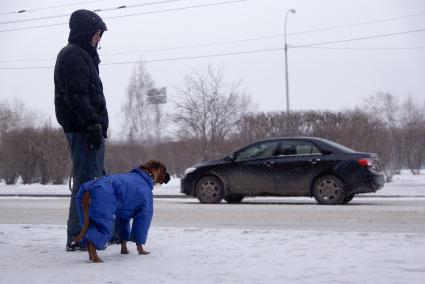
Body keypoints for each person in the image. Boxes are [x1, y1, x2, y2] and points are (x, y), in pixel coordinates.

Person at [54, 9, 108, 251]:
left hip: (88, 129)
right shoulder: (74, 55)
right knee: (87, 185)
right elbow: (77, 95)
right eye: (97, 34)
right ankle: (78, 237)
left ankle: (98, 232)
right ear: (87, 33)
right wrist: (91, 123)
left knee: (98, 182)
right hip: (84, 130)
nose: (99, 39)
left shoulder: (83, 55)